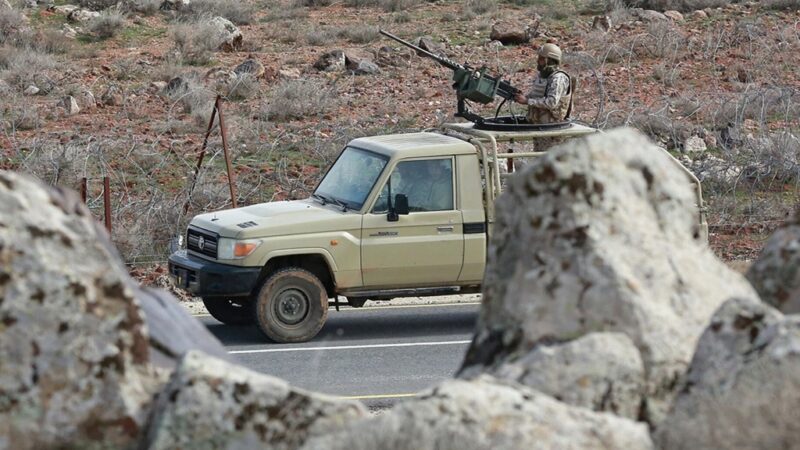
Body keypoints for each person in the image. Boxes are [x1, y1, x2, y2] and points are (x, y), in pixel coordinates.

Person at [514, 43, 573, 124]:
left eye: (541, 59)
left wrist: (527, 101)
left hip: (552, 125)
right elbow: (537, 96)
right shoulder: (542, 75)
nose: (538, 61)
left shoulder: (558, 78)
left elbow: (551, 102)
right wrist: (523, 97)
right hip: (538, 122)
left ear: (550, 60)